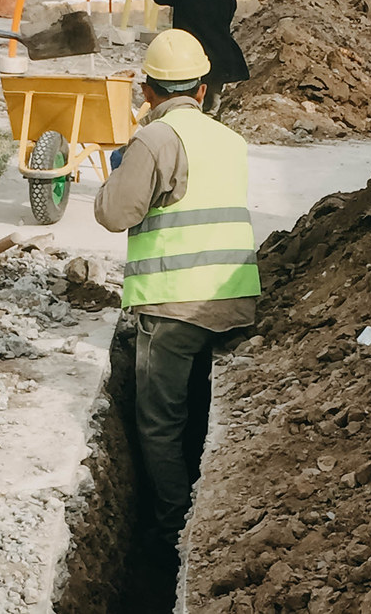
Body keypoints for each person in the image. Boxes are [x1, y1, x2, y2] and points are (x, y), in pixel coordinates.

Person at [94, 30, 261, 565]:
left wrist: (118, 171)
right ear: (204, 90)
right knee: (199, 409)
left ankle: (172, 533)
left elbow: (115, 213)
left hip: (172, 307)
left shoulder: (154, 140)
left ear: (147, 90)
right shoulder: (229, 139)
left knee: (160, 423)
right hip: (233, 300)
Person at [153, 0, 249, 115]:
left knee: (183, 104)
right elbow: (231, 6)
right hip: (217, 51)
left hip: (186, 50)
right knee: (211, 108)